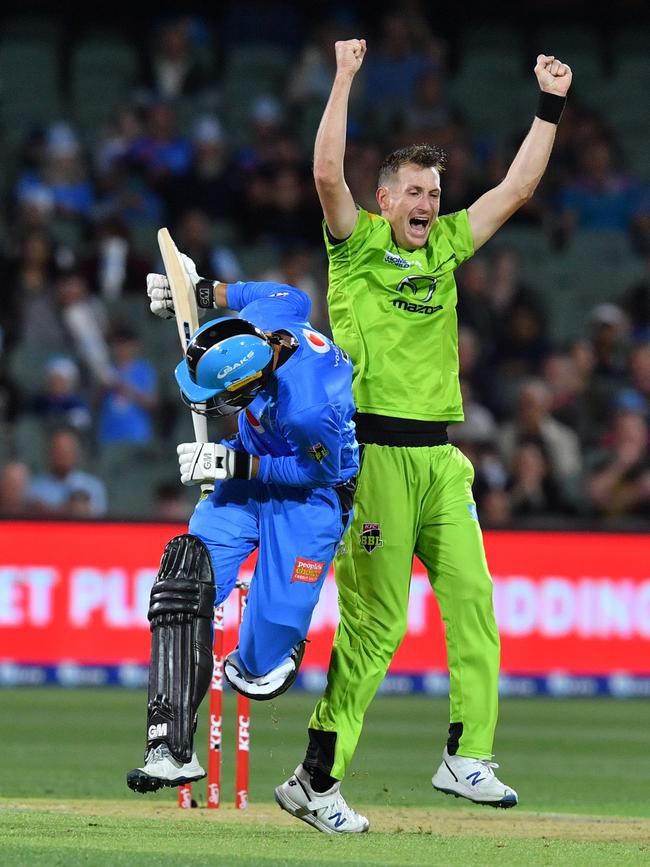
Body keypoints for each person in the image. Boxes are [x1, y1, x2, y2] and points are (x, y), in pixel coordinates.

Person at [273, 39, 573, 833]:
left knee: (474, 601)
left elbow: (518, 185)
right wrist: (341, 77)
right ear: (386, 198)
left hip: (441, 457)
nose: (429, 206)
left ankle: (465, 753)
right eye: (415, 192)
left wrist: (550, 104)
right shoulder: (356, 243)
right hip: (370, 456)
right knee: (376, 626)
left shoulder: (446, 246)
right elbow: (327, 176)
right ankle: (315, 778)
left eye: (435, 193)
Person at [126, 259, 359, 801]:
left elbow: (319, 470)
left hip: (311, 495)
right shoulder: (267, 315)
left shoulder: (309, 407)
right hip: (251, 470)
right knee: (184, 575)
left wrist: (233, 466)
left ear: (252, 383)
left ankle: (278, 646)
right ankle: (168, 748)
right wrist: (202, 290)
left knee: (255, 672)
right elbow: (282, 291)